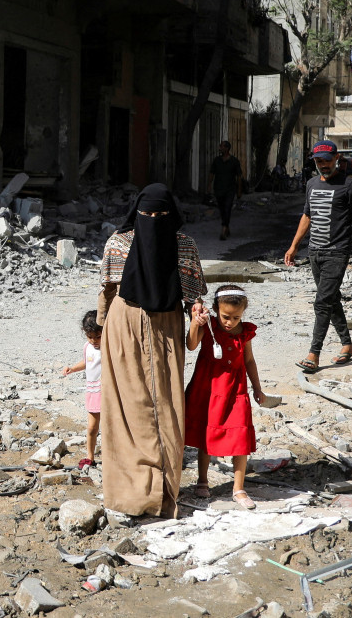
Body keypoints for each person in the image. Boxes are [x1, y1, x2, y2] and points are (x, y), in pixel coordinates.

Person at [99, 183, 208, 518]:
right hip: (124, 328)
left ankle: (163, 492)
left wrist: (197, 323)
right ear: (137, 213)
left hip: (167, 328)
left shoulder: (184, 246)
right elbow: (106, 291)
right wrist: (102, 334)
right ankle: (131, 493)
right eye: (147, 215)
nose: (153, 221)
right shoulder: (119, 243)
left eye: (161, 215)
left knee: (167, 407)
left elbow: (194, 302)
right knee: (127, 408)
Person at [285, 140, 352, 372]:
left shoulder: (348, 185)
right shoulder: (312, 184)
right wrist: (294, 246)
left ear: (336, 159)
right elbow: (307, 216)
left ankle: (313, 354)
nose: (323, 164)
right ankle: (347, 345)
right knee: (331, 299)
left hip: (337, 252)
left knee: (322, 302)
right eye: (318, 161)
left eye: (326, 160)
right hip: (314, 251)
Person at [184, 284, 269, 510]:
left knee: (240, 435)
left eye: (236, 317)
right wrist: (195, 323)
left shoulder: (245, 332)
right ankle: (202, 480)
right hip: (209, 387)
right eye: (225, 316)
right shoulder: (209, 326)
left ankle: (238, 488)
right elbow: (191, 345)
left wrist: (257, 388)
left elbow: (249, 360)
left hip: (236, 389)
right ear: (214, 309)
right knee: (206, 433)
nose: (230, 322)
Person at [60, 311, 103, 469]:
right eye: (90, 336)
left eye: (98, 337)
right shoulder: (88, 347)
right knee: (92, 427)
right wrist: (72, 368)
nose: (94, 341)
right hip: (93, 392)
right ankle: (90, 456)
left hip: (108, 393)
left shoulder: (110, 347)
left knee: (112, 427)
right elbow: (86, 363)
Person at [208, 141, 244, 240]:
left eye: (221, 146)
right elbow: (212, 173)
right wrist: (209, 185)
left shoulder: (234, 161)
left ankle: (224, 228)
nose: (220, 148)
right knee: (222, 209)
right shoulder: (217, 160)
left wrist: (239, 190)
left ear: (227, 148)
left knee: (227, 207)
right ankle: (226, 226)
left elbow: (239, 176)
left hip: (230, 189)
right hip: (219, 189)